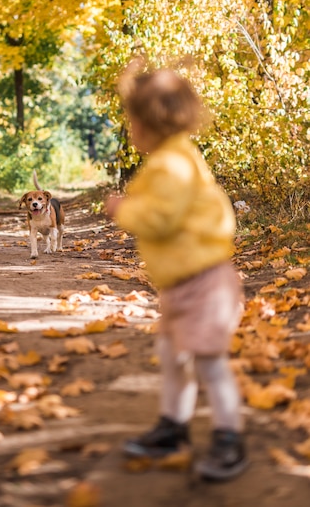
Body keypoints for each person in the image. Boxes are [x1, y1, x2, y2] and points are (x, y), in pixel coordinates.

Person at [105, 60, 247, 481]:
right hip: (184, 284)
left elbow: (162, 218)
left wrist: (124, 210)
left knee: (208, 363)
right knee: (173, 356)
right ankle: (173, 426)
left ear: (149, 124)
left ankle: (229, 439)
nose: (130, 129)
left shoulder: (172, 165)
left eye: (132, 120)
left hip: (204, 284)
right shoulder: (174, 157)